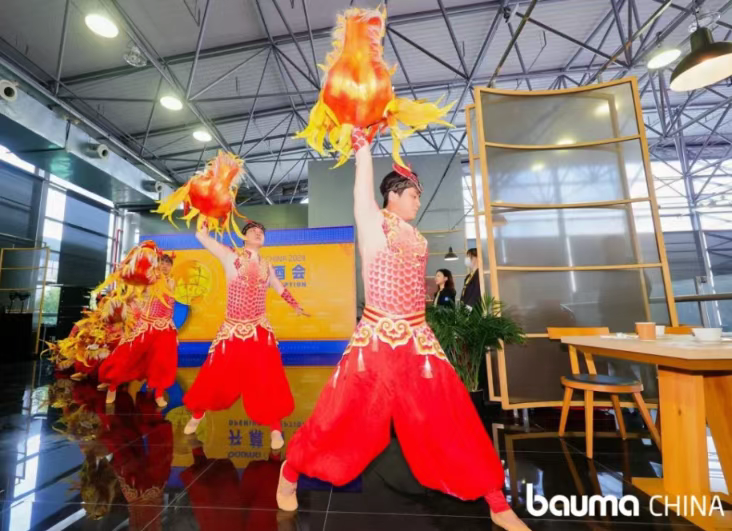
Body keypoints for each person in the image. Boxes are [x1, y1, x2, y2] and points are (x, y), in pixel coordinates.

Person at [276, 128, 531, 531]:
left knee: (452, 417)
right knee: (340, 419)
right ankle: (291, 470)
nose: (418, 201)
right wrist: (363, 149)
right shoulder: (374, 223)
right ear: (393, 194)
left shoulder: (416, 235)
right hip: (376, 340)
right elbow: (361, 192)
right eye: (413, 194)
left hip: (419, 342)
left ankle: (496, 502)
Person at [182, 221, 307, 451]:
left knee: (267, 376)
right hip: (232, 329)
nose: (259, 234)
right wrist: (205, 225)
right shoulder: (230, 256)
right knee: (215, 373)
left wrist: (296, 306)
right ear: (244, 236)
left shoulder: (267, 266)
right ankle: (198, 414)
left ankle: (275, 427)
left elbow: (279, 287)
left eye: (262, 232)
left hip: (259, 329)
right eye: (253, 231)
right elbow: (202, 238)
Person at [99, 254, 177, 407]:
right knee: (128, 354)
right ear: (157, 265)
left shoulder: (172, 282)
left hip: (165, 326)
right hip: (146, 323)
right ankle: (113, 386)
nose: (165, 266)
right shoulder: (149, 280)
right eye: (162, 263)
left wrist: (171, 327)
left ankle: (159, 393)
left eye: (168, 264)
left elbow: (170, 306)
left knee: (163, 360)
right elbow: (134, 292)